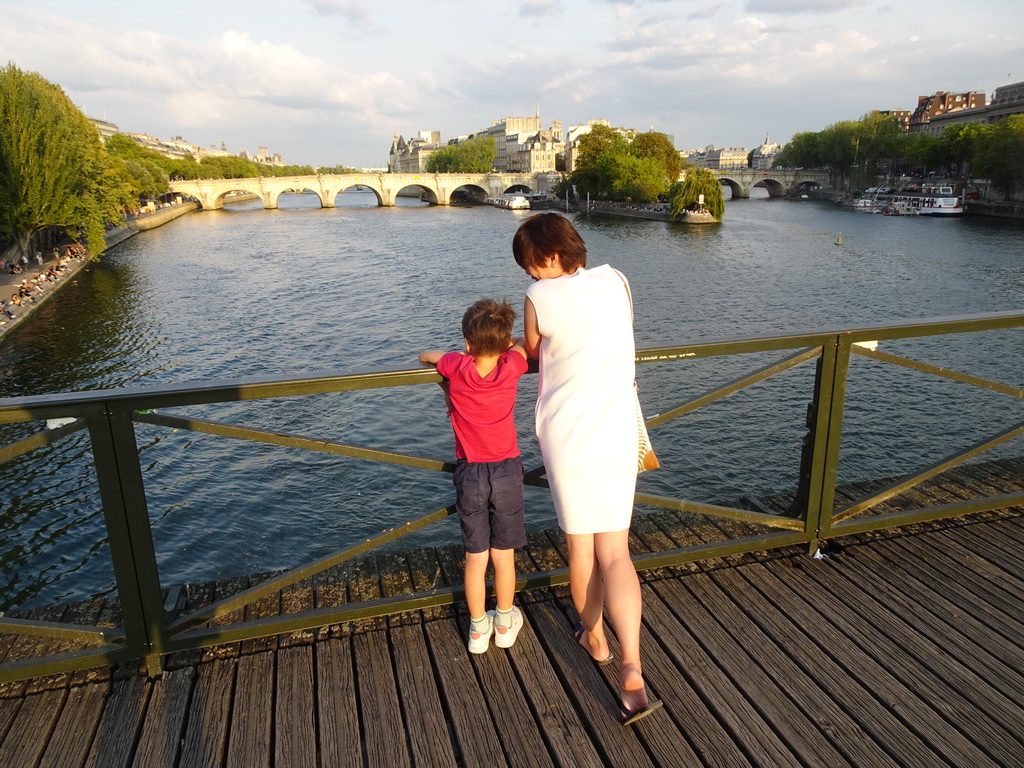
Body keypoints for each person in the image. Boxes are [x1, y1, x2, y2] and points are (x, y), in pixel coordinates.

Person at [512, 212, 663, 726]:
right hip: (618, 426)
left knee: (582, 548)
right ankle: (633, 664)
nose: (531, 276)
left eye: (532, 265)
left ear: (550, 256)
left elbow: (532, 354)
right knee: (616, 553)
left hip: (569, 433)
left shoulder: (539, 299)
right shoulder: (616, 279)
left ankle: (594, 639)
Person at [420, 298, 529, 654]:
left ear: (467, 343)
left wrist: (432, 356)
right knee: (504, 556)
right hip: (506, 471)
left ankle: (478, 631)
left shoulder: (457, 365)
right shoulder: (511, 366)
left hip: (470, 474)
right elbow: (523, 349)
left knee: (475, 557)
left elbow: (430, 356)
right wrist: (508, 344)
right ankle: (504, 621)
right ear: (504, 342)